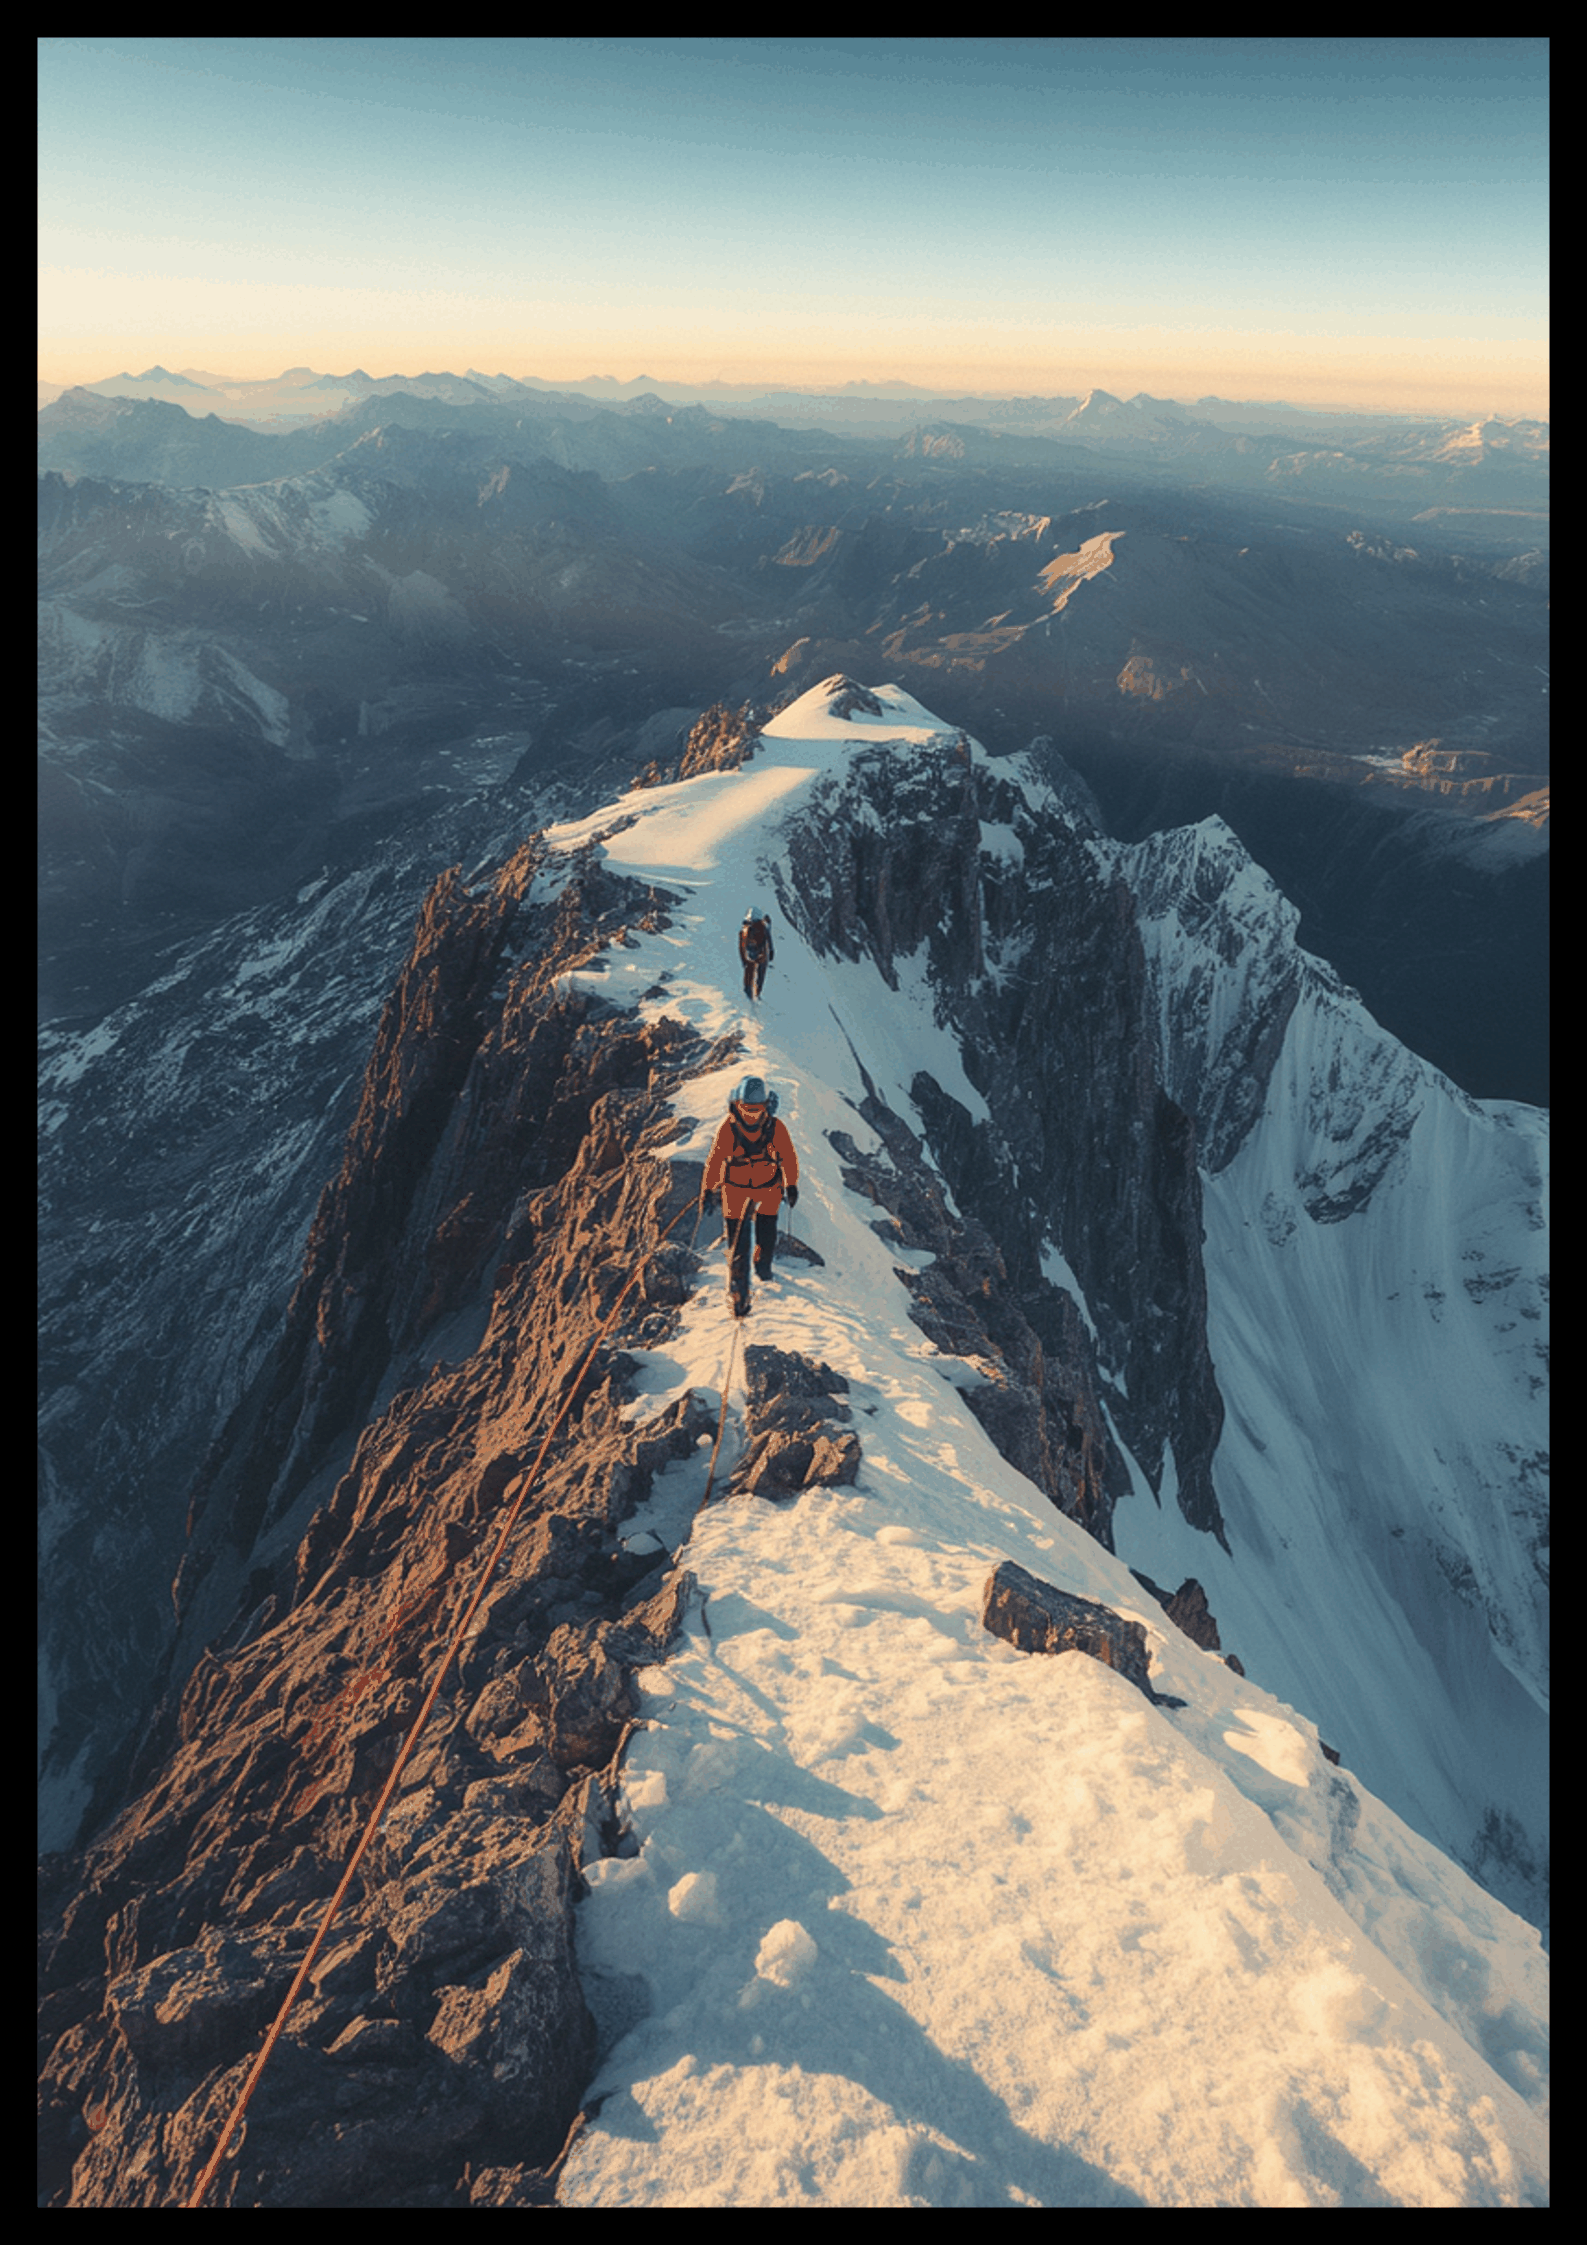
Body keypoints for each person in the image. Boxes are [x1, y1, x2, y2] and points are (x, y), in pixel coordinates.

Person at [702, 1074, 800, 1318]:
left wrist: (791, 1184)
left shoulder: (757, 1128)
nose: (752, 1114)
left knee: (755, 1238)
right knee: (745, 1239)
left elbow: (788, 1157)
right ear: (738, 1105)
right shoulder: (739, 1128)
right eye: (747, 1109)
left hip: (754, 1188)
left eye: (756, 1109)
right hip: (750, 1188)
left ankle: (755, 1274)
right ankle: (746, 1283)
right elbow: (714, 1161)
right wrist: (708, 1189)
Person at [739, 907, 774, 1002]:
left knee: (749, 970)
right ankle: (757, 993)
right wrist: (771, 951)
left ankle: (748, 990)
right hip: (761, 954)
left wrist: (743, 959)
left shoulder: (744, 928)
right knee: (760, 974)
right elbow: (769, 939)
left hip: (749, 954)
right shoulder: (763, 927)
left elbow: (741, 945)